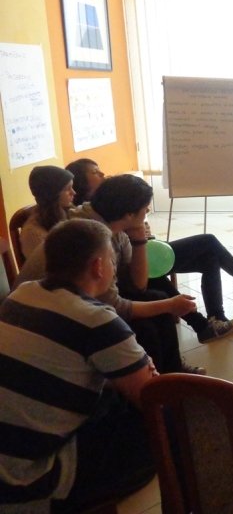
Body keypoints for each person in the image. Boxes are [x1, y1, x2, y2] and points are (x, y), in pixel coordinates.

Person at [0, 219, 157, 512]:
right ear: (98, 266)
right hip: (26, 479)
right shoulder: (98, 320)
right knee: (165, 428)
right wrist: (144, 367)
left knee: (112, 396)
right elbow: (152, 397)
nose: (113, 268)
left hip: (7, 452)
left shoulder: (21, 294)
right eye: (112, 260)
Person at [16, 175, 220, 372]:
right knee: (147, 326)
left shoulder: (114, 227)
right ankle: (154, 385)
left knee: (157, 298)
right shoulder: (92, 236)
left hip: (78, 299)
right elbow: (115, 306)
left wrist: (139, 239)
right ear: (129, 214)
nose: (148, 210)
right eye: (145, 207)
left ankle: (171, 372)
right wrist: (169, 305)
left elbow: (138, 286)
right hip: (49, 316)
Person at [66, 158, 233, 327]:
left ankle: (214, 319)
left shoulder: (106, 206)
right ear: (80, 182)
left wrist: (140, 236)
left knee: (209, 255)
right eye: (95, 172)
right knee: (208, 243)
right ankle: (228, 298)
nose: (102, 174)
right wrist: (139, 238)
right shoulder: (91, 220)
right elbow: (126, 286)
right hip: (131, 264)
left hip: (139, 253)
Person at [19, 165, 76, 259]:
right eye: (67, 189)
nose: (73, 192)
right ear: (52, 194)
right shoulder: (33, 234)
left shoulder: (68, 211)